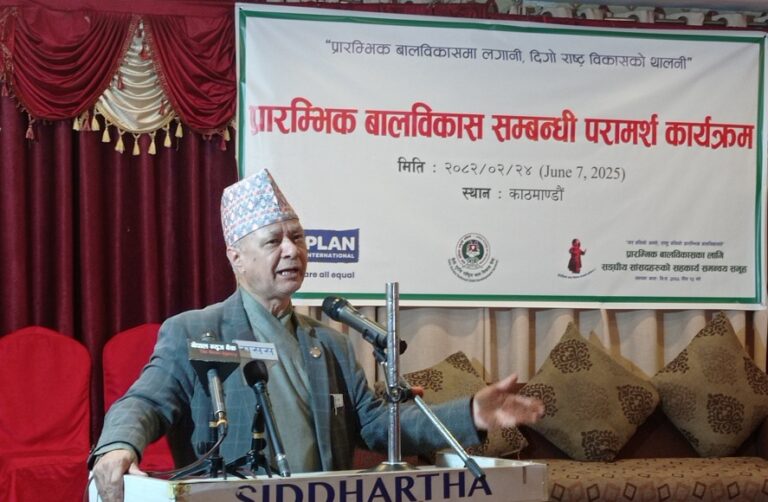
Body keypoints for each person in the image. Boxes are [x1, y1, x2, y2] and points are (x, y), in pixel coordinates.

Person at [89, 169, 545, 501]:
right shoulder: (194, 331)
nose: (292, 250)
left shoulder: (330, 343)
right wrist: (118, 447)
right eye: (274, 241)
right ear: (236, 257)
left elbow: (377, 425)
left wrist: (471, 413)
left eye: (298, 238)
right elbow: (145, 402)